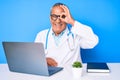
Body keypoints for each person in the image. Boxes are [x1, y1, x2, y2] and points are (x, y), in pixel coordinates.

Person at [35, 3, 99, 67]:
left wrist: (72, 21)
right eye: (54, 16)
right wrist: (44, 60)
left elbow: (93, 41)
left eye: (62, 16)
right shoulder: (41, 35)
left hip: (72, 76)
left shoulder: (76, 34)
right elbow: (35, 59)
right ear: (50, 18)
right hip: (50, 76)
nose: (58, 21)